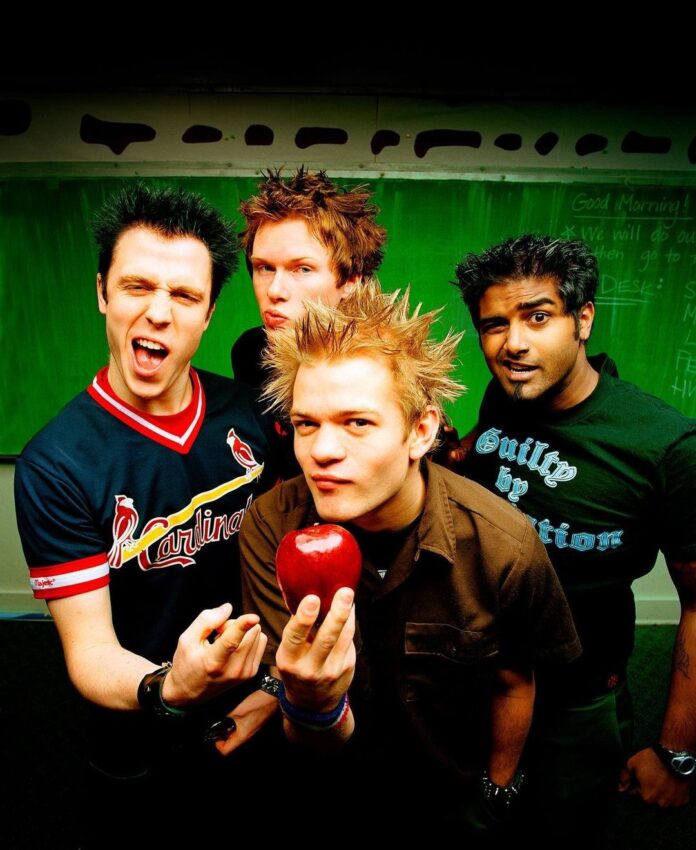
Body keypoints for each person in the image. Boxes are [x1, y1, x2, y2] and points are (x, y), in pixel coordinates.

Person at [239, 281, 581, 841]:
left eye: (357, 423)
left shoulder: (503, 544)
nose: (322, 451)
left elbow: (515, 681)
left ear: (420, 431)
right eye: (306, 424)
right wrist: (313, 700)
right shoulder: (272, 526)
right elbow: (304, 723)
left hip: (447, 801)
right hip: (323, 794)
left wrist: (496, 793)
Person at [14, 184, 278, 847]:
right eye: (137, 286)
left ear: (209, 313)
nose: (158, 312)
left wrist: (277, 687)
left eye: (184, 295)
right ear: (103, 292)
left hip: (259, 723)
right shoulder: (57, 463)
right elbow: (89, 650)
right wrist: (170, 687)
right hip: (138, 739)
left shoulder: (254, 414)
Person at [455, 235, 696, 843]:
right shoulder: (505, 395)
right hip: (478, 676)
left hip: (579, 697)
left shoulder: (664, 445)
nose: (513, 343)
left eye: (538, 317)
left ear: (583, 319)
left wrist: (677, 753)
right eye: (494, 325)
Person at [232, 166, 387, 386]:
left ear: (351, 280)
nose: (275, 291)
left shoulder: (380, 372)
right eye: (265, 268)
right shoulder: (252, 351)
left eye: (303, 269)